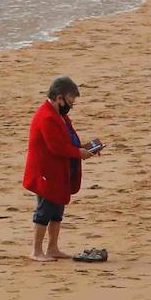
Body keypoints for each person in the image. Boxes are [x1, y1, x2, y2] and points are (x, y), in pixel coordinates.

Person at [23, 76, 101, 262]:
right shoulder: (47, 116)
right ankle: (36, 251)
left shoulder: (59, 115)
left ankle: (52, 248)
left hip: (59, 171)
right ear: (59, 98)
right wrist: (80, 153)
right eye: (70, 101)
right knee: (44, 210)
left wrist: (84, 147)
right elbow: (56, 147)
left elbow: (66, 142)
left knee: (57, 210)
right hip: (46, 172)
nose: (71, 106)